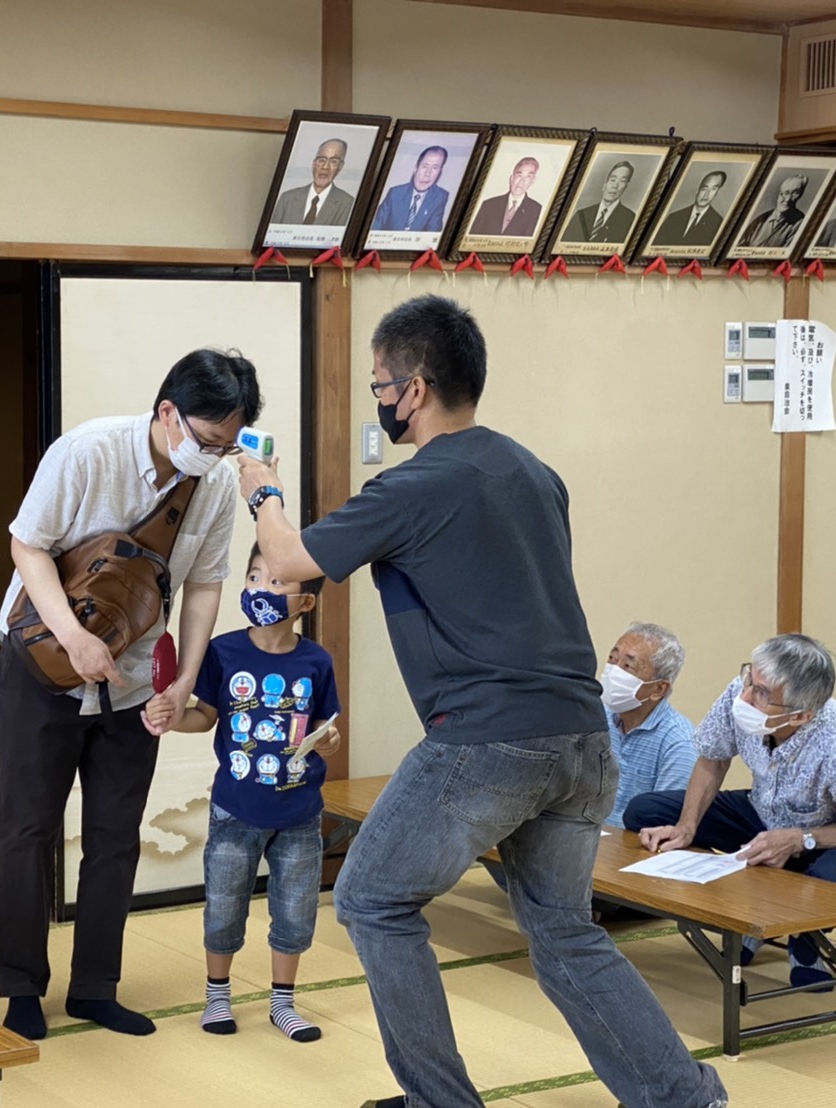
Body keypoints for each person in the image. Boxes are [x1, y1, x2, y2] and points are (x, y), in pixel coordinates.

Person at [237, 295, 727, 1108]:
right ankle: (685, 1098)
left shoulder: (411, 485)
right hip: (582, 738)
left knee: (370, 900)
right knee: (564, 930)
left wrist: (264, 491)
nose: (379, 398)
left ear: (414, 388)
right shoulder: (537, 474)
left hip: (486, 741)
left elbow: (286, 562)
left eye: (380, 385)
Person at [0, 349, 262, 1041]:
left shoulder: (214, 484)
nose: (215, 456)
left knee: (115, 838)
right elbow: (27, 547)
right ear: (168, 412)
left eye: (228, 445)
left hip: (135, 680)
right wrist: (74, 639)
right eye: (208, 440)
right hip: (44, 664)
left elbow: (204, 586)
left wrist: (183, 680)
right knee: (29, 831)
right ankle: (21, 988)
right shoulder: (87, 451)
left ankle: (95, 989)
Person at [143, 544, 341, 1044]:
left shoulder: (317, 661)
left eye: (276, 582)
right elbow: (204, 717)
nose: (260, 589)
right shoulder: (223, 651)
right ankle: (217, 996)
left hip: (300, 814)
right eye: (254, 577)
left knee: (295, 912)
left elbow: (326, 728)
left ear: (305, 603)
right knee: (224, 907)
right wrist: (171, 718)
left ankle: (282, 1003)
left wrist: (331, 740)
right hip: (234, 810)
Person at [626, 634, 836, 989]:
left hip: (831, 835)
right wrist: (686, 826)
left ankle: (805, 936)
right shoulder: (739, 693)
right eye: (749, 680)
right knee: (646, 811)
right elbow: (713, 758)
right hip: (763, 812)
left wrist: (800, 839)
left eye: (761, 694)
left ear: (801, 715)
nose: (744, 697)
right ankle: (751, 909)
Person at [599, 621, 696, 829]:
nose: (613, 671)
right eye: (612, 659)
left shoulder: (680, 743)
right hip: (588, 835)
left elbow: (662, 824)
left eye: (628, 666)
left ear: (658, 689)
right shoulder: (597, 716)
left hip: (634, 843)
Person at [271, 139, 356, 226]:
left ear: (340, 167)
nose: (325, 167)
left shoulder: (347, 203)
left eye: (333, 161)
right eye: (321, 160)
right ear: (314, 164)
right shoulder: (287, 198)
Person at [371, 146, 450, 233]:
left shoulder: (440, 197)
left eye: (435, 168)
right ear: (416, 168)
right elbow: (376, 226)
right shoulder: (395, 193)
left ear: (440, 172)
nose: (428, 173)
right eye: (424, 166)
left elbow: (433, 231)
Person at [559, 160, 637, 244]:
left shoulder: (630, 218)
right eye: (613, 180)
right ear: (604, 185)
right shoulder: (581, 214)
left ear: (626, 187)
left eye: (622, 181)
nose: (615, 186)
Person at [467, 156, 542, 237]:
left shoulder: (535, 209)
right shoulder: (488, 205)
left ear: (533, 181)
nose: (522, 181)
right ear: (512, 178)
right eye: (519, 175)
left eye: (528, 177)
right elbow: (472, 237)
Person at [654, 170, 728, 247]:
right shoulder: (674, 217)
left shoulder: (718, 223)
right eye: (704, 188)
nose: (706, 194)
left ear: (717, 193)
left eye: (713, 189)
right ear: (697, 191)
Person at [737, 173, 810, 249]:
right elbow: (738, 247)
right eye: (786, 193)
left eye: (795, 193)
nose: (788, 199)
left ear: (800, 196)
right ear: (779, 193)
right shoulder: (761, 219)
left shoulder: (800, 223)